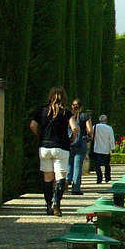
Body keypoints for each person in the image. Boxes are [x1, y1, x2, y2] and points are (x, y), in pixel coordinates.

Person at [29, 86, 79, 215]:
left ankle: (48, 206)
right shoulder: (66, 113)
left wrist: (40, 135)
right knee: (60, 176)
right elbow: (75, 128)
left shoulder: (42, 110)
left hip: (45, 147)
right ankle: (56, 203)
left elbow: (33, 126)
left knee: (48, 178)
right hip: (61, 147)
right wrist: (71, 139)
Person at [67, 99, 93, 195]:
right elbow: (90, 130)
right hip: (81, 142)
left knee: (69, 163)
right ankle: (76, 188)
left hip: (69, 141)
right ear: (81, 107)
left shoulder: (68, 115)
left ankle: (67, 181)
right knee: (78, 166)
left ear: (72, 106)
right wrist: (88, 137)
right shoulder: (85, 116)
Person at [91, 114, 116, 184]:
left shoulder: (95, 127)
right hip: (106, 149)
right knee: (107, 165)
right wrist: (112, 148)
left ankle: (99, 178)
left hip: (97, 148)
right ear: (106, 120)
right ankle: (107, 178)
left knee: (97, 165)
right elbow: (111, 139)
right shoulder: (109, 128)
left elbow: (92, 136)